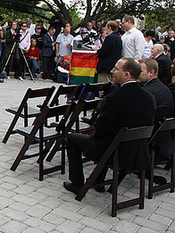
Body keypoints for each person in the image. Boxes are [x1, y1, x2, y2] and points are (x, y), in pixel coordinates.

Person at [63, 58, 155, 194]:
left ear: (126, 75)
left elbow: (100, 129)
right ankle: (98, 181)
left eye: (116, 69)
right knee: (108, 138)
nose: (112, 71)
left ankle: (77, 184)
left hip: (114, 152)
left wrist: (94, 135)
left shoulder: (115, 98)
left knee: (72, 139)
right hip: (138, 151)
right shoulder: (149, 97)